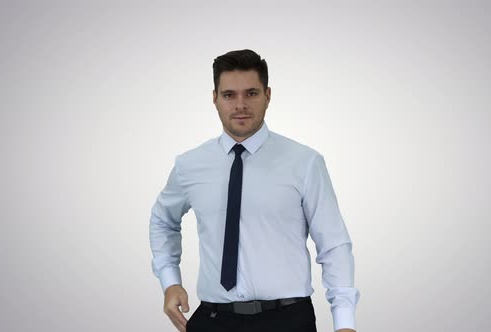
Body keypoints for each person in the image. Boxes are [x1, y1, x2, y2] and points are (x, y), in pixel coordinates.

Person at [149, 49, 359, 332]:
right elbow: (163, 220)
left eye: (251, 93)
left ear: (268, 95)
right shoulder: (190, 165)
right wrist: (170, 281)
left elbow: (333, 243)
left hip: (286, 320)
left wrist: (344, 322)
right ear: (215, 98)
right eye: (229, 95)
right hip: (213, 320)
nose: (240, 105)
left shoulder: (305, 162)